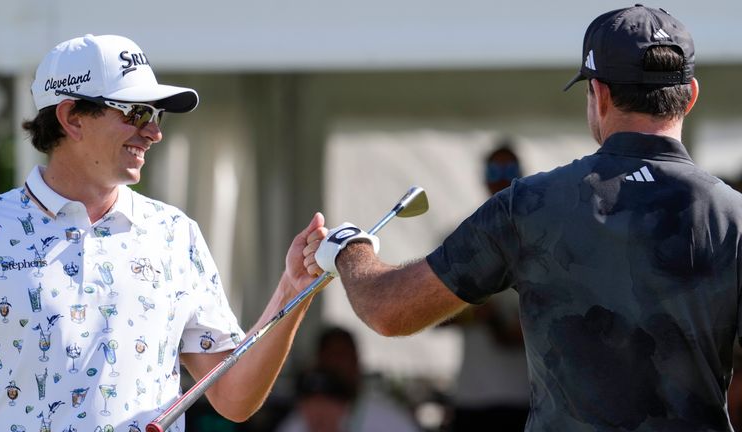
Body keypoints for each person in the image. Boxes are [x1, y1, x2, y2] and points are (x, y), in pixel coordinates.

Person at [305, 5, 742, 430]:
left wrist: (349, 248)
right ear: (690, 95)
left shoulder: (530, 206)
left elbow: (388, 310)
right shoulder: (734, 216)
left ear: (600, 95)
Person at [0, 34, 321, 432]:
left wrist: (292, 292)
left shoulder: (175, 233)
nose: (153, 132)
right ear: (71, 118)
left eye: (158, 116)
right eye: (137, 113)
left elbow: (235, 398)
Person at [443, 143, 529, 431]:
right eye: (495, 170)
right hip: (473, 396)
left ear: (522, 175)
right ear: (484, 177)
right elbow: (429, 315)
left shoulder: (540, 240)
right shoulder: (461, 238)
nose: (502, 177)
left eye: (509, 170)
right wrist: (474, 313)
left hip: (527, 397)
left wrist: (490, 318)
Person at [276, 326, 420, 432]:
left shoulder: (388, 418)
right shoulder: (295, 425)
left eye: (345, 358)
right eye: (311, 404)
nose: (320, 412)